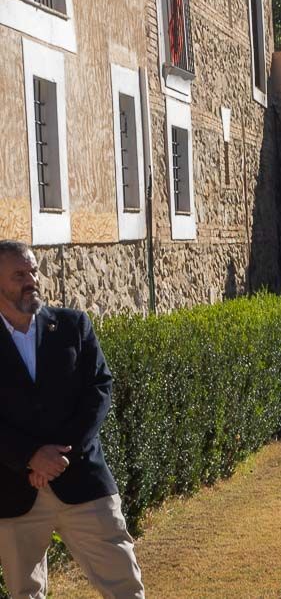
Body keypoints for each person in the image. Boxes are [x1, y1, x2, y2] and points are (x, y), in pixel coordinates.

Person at [0, 240, 144, 598]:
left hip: (82, 481)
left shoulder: (72, 326)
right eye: (19, 274)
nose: (31, 280)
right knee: (24, 593)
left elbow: (99, 389)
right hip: (14, 490)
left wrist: (61, 456)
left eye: (33, 271)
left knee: (125, 585)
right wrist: (31, 457)